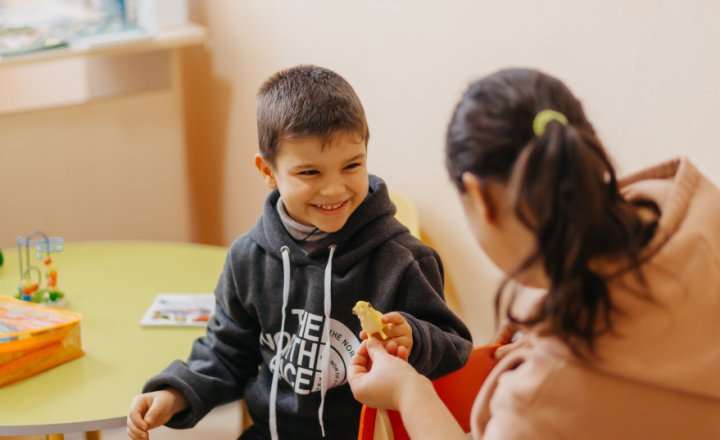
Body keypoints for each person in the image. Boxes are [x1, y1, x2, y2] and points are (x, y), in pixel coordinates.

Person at [348, 67, 720, 439]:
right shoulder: (696, 204)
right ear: (594, 153)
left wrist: (409, 390)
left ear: (480, 197)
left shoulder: (540, 397)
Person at [126, 65, 472, 440]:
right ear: (268, 171)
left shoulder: (404, 260)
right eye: (310, 173)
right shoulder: (248, 258)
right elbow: (226, 352)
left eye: (351, 165)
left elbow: (455, 348)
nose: (334, 189)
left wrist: (417, 338)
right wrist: (175, 392)